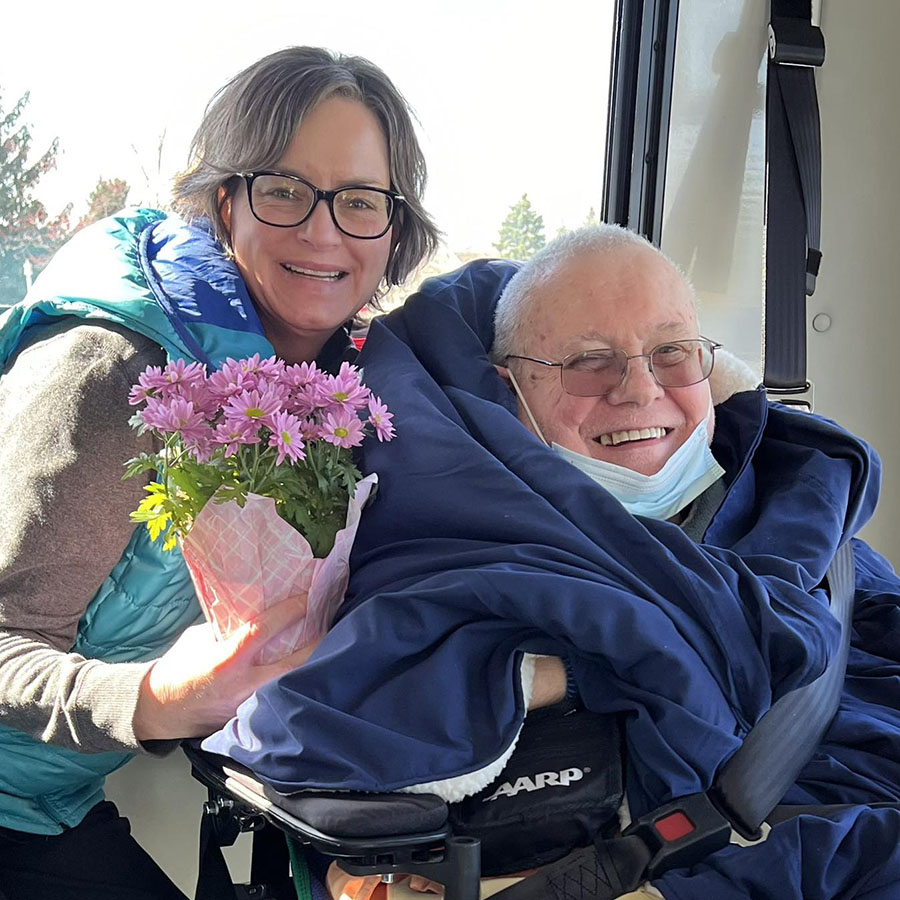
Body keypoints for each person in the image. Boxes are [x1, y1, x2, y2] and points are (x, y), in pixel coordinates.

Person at [205, 225, 900, 900]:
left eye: (673, 353)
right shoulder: (435, 556)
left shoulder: (816, 544)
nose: (638, 390)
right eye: (587, 361)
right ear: (509, 392)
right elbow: (324, 746)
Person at [0, 46, 438, 900]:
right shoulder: (117, 371)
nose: (322, 231)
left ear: (394, 232)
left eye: (359, 202)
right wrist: (154, 699)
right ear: (224, 203)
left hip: (56, 797)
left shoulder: (350, 398)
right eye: (282, 191)